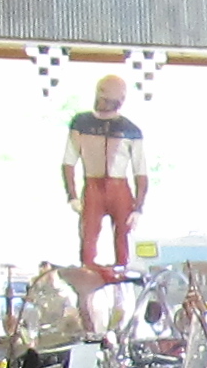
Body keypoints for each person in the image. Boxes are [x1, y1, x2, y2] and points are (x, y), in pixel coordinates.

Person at [61, 73, 146, 272]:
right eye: (101, 96)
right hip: (93, 187)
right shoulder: (81, 123)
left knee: (123, 240)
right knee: (88, 239)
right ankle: (88, 282)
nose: (102, 101)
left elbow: (140, 170)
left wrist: (138, 208)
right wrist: (72, 195)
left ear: (120, 100)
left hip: (119, 189)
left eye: (107, 98)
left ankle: (121, 284)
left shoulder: (130, 130)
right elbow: (68, 161)